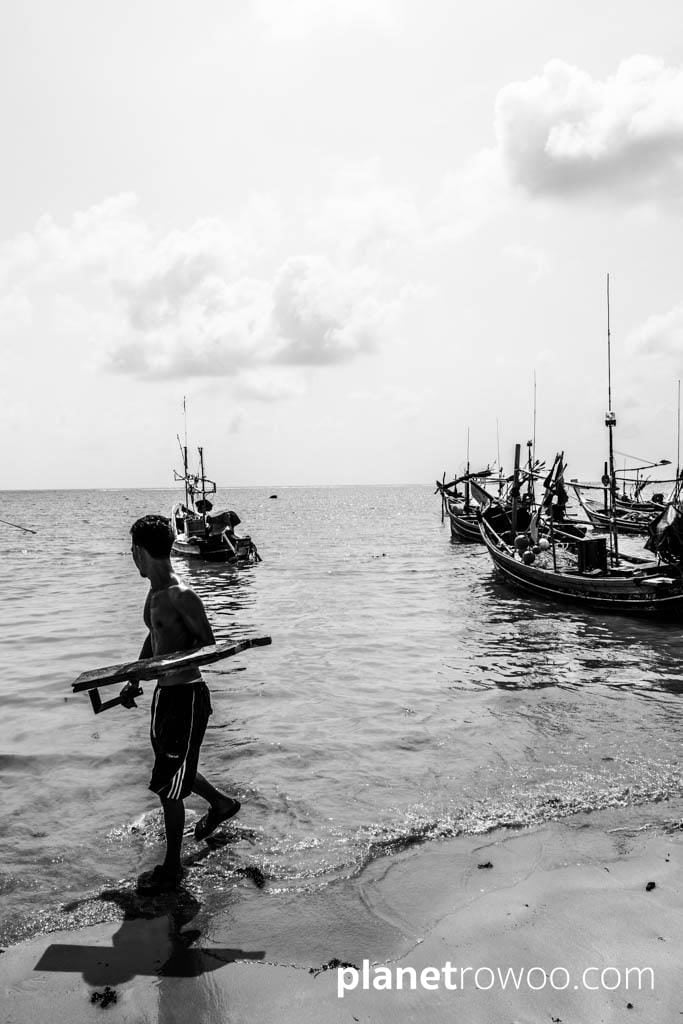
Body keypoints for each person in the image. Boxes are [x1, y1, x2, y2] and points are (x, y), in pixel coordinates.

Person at [123, 514, 240, 894]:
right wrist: (135, 677)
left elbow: (207, 646)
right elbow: (154, 641)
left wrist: (170, 665)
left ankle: (173, 866)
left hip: (186, 696)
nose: (131, 557)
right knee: (171, 772)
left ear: (141, 552)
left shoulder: (180, 594)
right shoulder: (153, 595)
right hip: (164, 696)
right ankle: (221, 805)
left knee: (167, 785)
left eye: (132, 551)